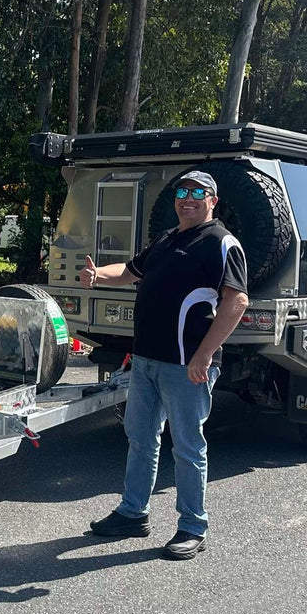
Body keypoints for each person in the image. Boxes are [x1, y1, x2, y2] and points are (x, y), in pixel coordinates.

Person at [79, 170, 249, 560]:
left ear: (213, 200)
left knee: (188, 445)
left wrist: (204, 354)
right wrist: (97, 275)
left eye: (197, 192)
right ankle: (132, 513)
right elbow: (130, 271)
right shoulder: (167, 239)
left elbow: (236, 302)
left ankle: (193, 525)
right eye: (181, 192)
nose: (187, 198)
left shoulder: (222, 243)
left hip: (187, 365)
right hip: (146, 360)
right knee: (140, 437)